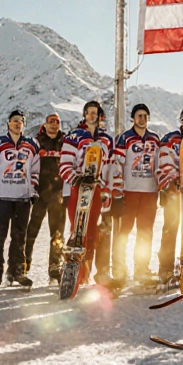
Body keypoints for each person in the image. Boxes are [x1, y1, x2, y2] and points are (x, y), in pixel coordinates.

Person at [59, 100, 116, 286]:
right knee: (77, 230)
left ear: (101, 116)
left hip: (97, 189)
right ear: (84, 115)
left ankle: (84, 274)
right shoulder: (74, 136)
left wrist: (107, 189)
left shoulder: (107, 139)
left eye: (96, 113)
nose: (92, 116)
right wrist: (76, 178)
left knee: (92, 232)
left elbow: (109, 167)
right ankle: (71, 271)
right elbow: (65, 164)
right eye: (89, 112)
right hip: (78, 188)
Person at [0, 110, 40, 289]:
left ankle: (16, 271)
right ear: (8, 123)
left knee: (19, 237)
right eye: (14, 121)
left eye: (20, 121)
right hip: (2, 198)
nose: (17, 124)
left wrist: (32, 191)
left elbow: (35, 171)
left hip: (22, 199)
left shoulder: (32, 145)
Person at [110, 103, 161, 287]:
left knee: (145, 233)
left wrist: (161, 186)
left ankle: (142, 268)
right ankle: (119, 269)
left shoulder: (155, 139)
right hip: (130, 192)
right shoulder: (124, 138)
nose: (142, 119)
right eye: (139, 116)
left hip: (149, 192)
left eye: (145, 116)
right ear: (133, 118)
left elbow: (159, 165)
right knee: (124, 232)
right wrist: (117, 192)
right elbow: (116, 165)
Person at [155, 106, 183, 287]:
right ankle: (165, 267)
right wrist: (171, 181)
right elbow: (164, 160)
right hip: (175, 190)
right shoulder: (170, 139)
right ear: (181, 121)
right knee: (170, 229)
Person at [25, 113, 66, 284]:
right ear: (45, 125)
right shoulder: (37, 142)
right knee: (31, 232)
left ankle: (54, 269)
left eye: (57, 122)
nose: (54, 125)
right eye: (51, 122)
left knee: (57, 235)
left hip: (59, 196)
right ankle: (24, 264)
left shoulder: (65, 142)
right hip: (40, 195)